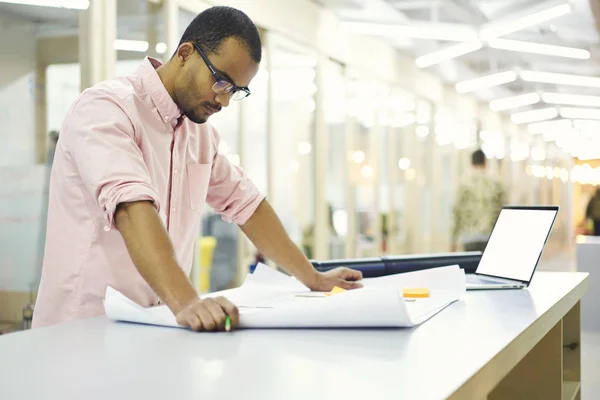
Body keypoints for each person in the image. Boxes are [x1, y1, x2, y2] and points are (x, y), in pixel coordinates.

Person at [32, 6, 362, 331]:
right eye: (221, 81)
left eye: (236, 90)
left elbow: (247, 205)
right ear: (186, 53)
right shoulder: (106, 110)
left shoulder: (198, 135)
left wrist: (311, 277)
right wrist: (188, 302)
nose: (224, 100)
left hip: (156, 327)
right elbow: (131, 208)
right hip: (81, 331)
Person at [451, 149, 505, 252]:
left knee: (471, 267)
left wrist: (453, 242)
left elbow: (456, 213)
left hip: (469, 238)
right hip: (489, 238)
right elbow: (502, 212)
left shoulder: (463, 184)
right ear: (485, 162)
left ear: (471, 163)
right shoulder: (495, 183)